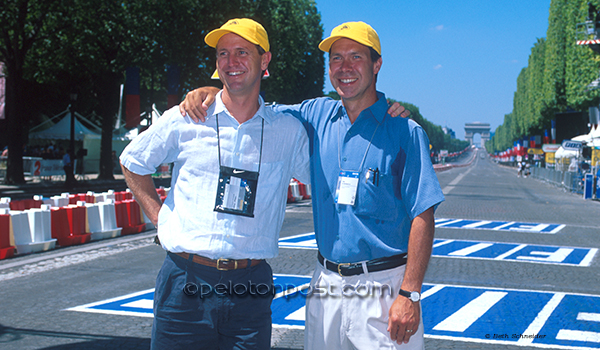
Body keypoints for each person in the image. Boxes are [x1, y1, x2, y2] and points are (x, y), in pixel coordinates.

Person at [180, 21, 444, 350]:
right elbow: (252, 104)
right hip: (326, 284)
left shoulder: (405, 131)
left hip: (384, 286)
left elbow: (423, 215)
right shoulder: (315, 114)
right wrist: (213, 93)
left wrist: (410, 293)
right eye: (336, 59)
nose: (344, 68)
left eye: (356, 58)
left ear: (377, 65)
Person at [119, 18, 311, 350]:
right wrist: (159, 216)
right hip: (185, 281)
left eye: (241, 52)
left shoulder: (288, 131)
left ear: (265, 60)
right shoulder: (186, 117)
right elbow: (132, 161)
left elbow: (324, 180)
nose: (231, 62)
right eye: (223, 53)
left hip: (249, 287)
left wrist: (381, 115)